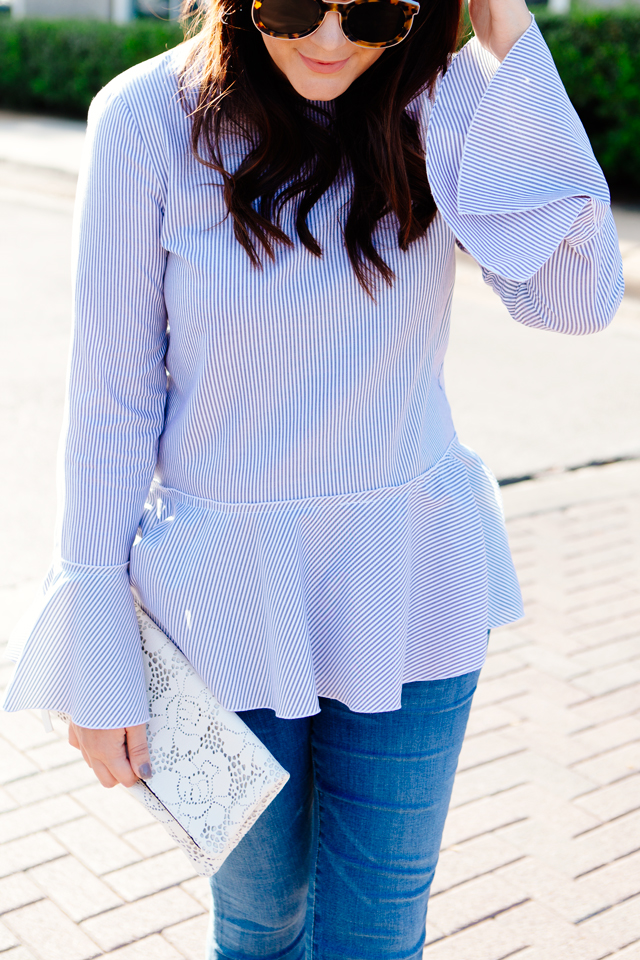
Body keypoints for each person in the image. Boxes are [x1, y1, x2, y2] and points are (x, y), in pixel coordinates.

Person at [3, 0, 623, 954]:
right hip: (221, 601)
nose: (331, 41)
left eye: (375, 10)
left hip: (413, 584)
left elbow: (579, 296)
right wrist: (94, 638)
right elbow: (112, 404)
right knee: (260, 927)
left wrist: (507, 33)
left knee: (376, 936)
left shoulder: (435, 104)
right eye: (295, 4)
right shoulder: (147, 122)